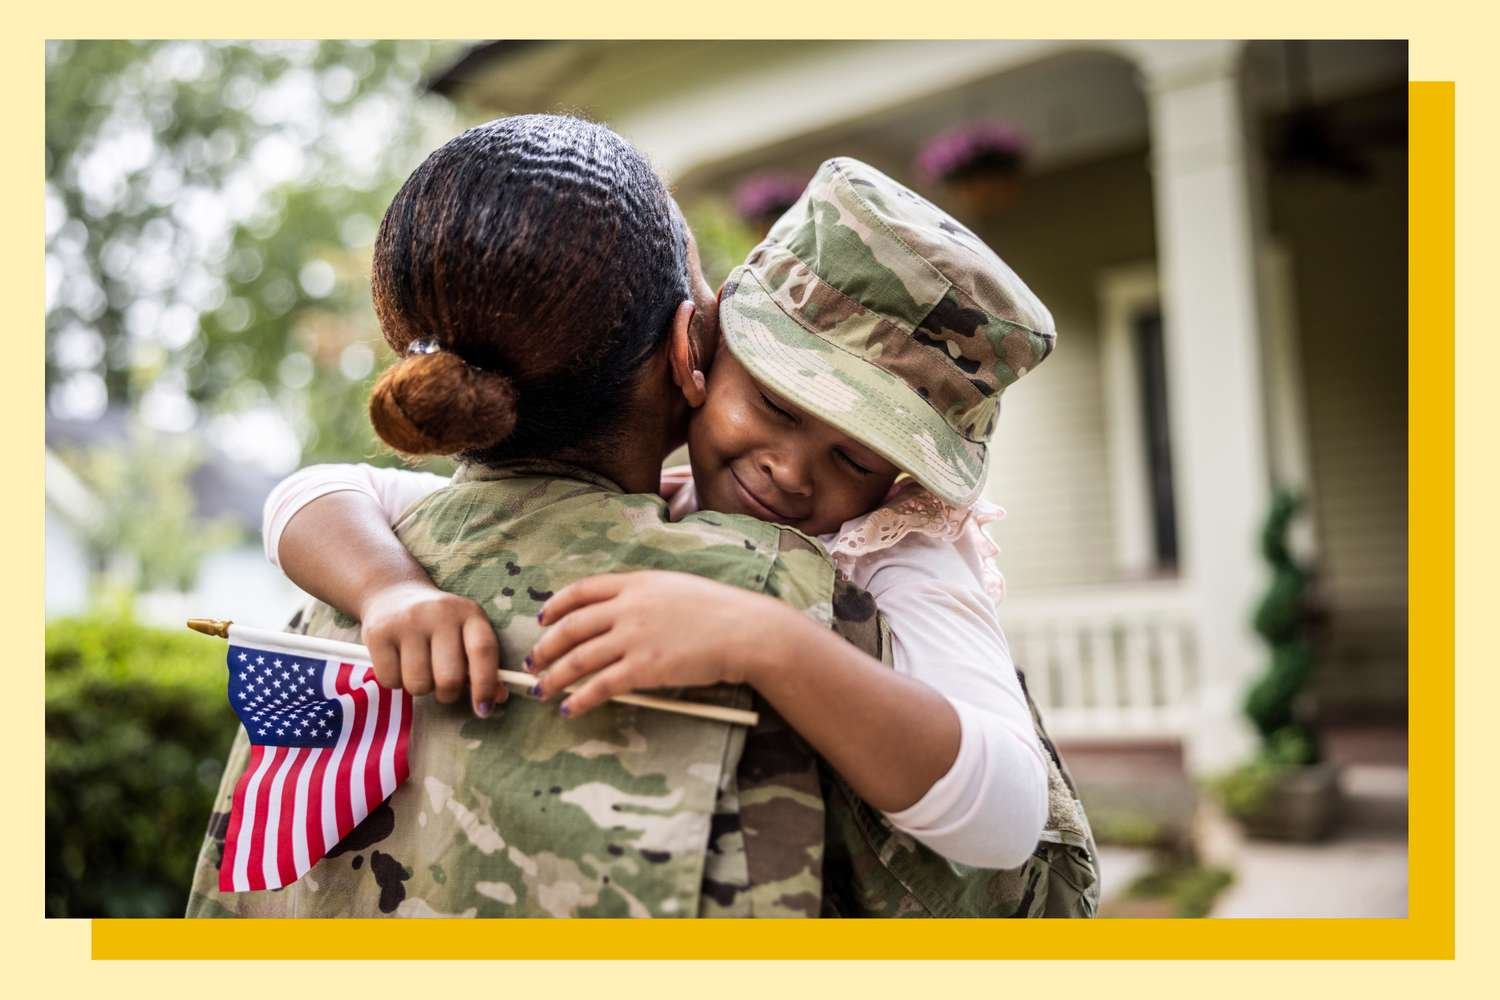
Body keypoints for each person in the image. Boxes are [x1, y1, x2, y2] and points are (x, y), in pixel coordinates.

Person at [258, 156, 1098, 891]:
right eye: (773, 402)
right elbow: (315, 495)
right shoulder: (656, 489)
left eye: (856, 460)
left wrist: (765, 638)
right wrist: (389, 590)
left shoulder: (902, 552)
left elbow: (1008, 816)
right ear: (704, 347)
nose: (792, 469)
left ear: (905, 480)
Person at [186, 115, 892, 917]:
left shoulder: (330, 603)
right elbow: (993, 887)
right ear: (683, 349)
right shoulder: (778, 589)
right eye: (703, 290)